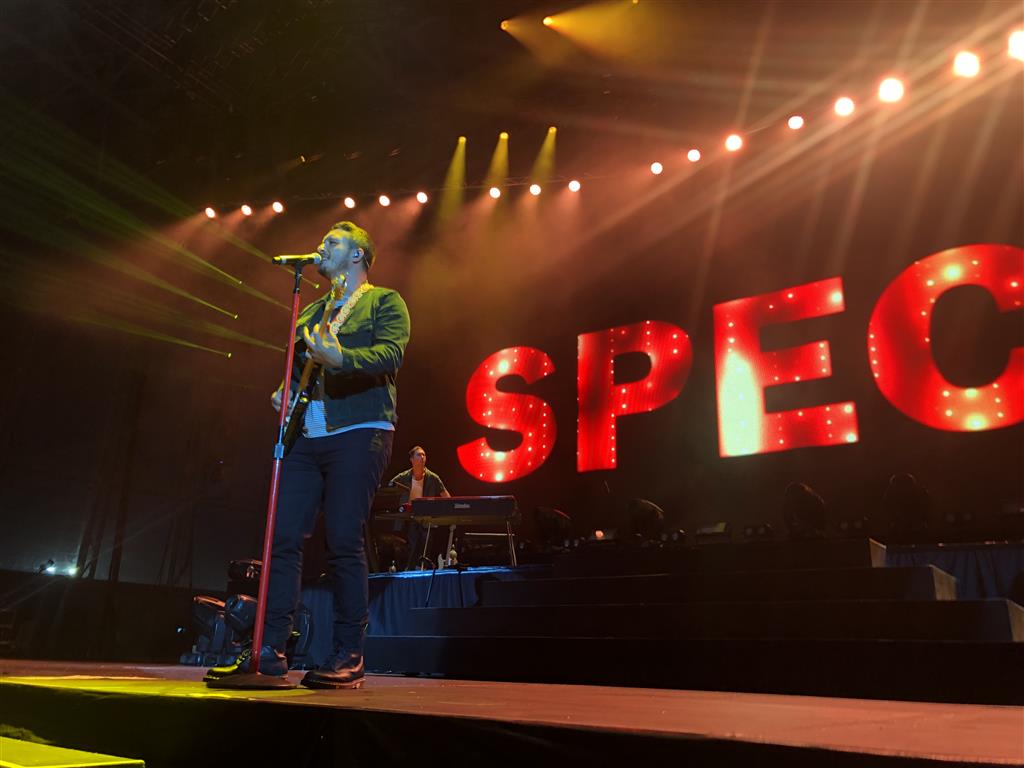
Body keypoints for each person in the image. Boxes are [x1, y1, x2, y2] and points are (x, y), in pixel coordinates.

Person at [208, 220, 410, 689]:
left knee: (342, 538)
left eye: (333, 242)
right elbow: (300, 370)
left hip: (360, 429)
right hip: (306, 433)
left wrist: (343, 359)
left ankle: (349, 653)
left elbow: (391, 355)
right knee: (281, 540)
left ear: (357, 255)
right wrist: (284, 391)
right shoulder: (312, 310)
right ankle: (270, 651)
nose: (321, 246)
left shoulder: (384, 301)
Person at [388, 446, 450, 569]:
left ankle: (421, 569)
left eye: (424, 455)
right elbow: (389, 488)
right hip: (408, 517)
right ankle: (410, 570)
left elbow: (446, 497)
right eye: (419, 455)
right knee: (412, 543)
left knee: (425, 543)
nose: (422, 457)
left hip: (425, 516)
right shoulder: (403, 476)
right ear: (411, 459)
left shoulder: (433, 478)